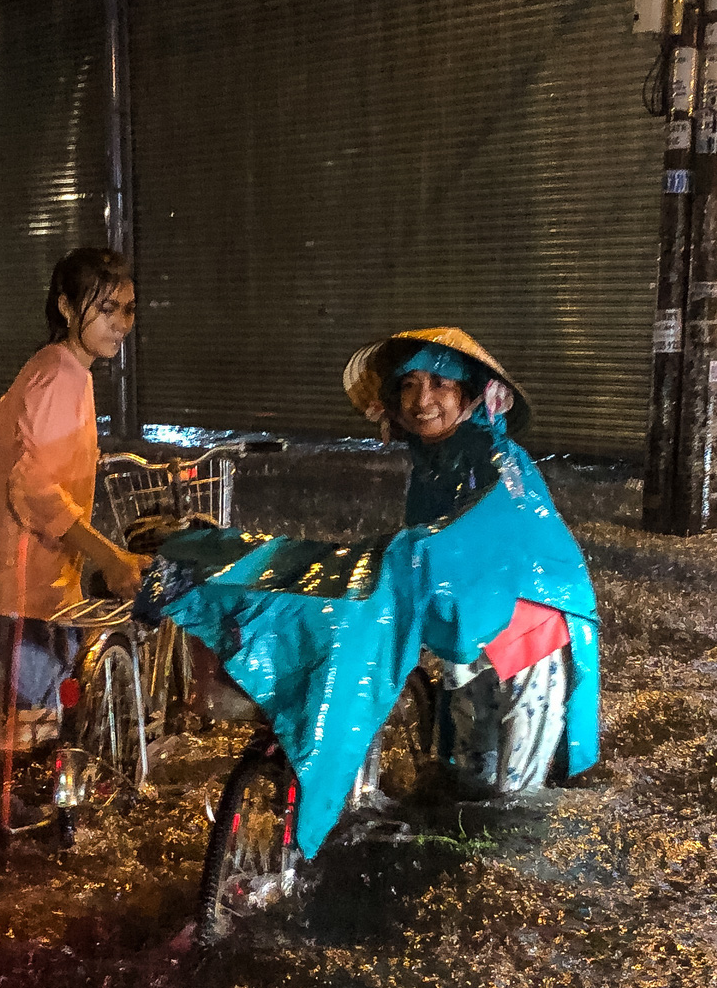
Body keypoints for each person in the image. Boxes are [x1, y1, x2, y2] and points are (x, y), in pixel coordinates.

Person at [144, 326, 600, 861]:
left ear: (472, 394)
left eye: (440, 384)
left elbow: (454, 547)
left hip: (528, 644)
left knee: (506, 811)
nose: (422, 400)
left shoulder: (497, 463)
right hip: (469, 634)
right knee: (462, 785)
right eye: (408, 385)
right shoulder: (434, 461)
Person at [0, 248, 145, 750]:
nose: (120, 323)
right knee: (35, 729)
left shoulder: (49, 366)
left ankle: (22, 810)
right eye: (105, 309)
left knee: (43, 717)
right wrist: (111, 556)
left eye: (127, 309)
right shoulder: (62, 376)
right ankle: (12, 821)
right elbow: (33, 486)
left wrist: (62, 456)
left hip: (21, 580)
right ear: (67, 307)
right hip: (31, 585)